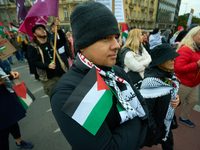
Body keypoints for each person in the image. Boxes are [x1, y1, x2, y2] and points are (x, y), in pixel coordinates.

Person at [50, 1, 148, 150]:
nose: (117, 45)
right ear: (83, 44)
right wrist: (135, 117)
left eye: (116, 37)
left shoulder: (116, 71)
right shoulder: (68, 92)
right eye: (105, 38)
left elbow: (144, 110)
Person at [140, 44, 180, 150]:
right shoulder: (150, 82)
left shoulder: (169, 76)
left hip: (165, 121)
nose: (173, 59)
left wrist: (177, 101)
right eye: (169, 58)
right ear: (160, 61)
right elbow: (147, 111)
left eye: (173, 57)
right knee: (141, 142)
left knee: (168, 143)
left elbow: (171, 95)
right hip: (156, 125)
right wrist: (153, 129)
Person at [27, 18, 67, 97]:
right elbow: (34, 62)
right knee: (56, 98)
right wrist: (47, 66)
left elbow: (63, 41)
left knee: (67, 95)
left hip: (61, 74)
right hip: (49, 79)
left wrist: (58, 29)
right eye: (39, 29)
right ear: (34, 34)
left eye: (43, 28)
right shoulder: (33, 47)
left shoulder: (52, 42)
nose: (43, 30)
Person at [0, 67, 33, 150]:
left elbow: (3, 71)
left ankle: (19, 141)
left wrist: (11, 73)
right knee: (3, 131)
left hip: (5, 93)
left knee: (13, 120)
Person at [174, 26, 200, 127]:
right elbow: (177, 68)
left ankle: (184, 117)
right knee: (174, 104)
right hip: (183, 83)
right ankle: (165, 120)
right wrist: (197, 65)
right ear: (193, 35)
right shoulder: (185, 49)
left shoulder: (198, 49)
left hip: (194, 83)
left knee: (193, 101)